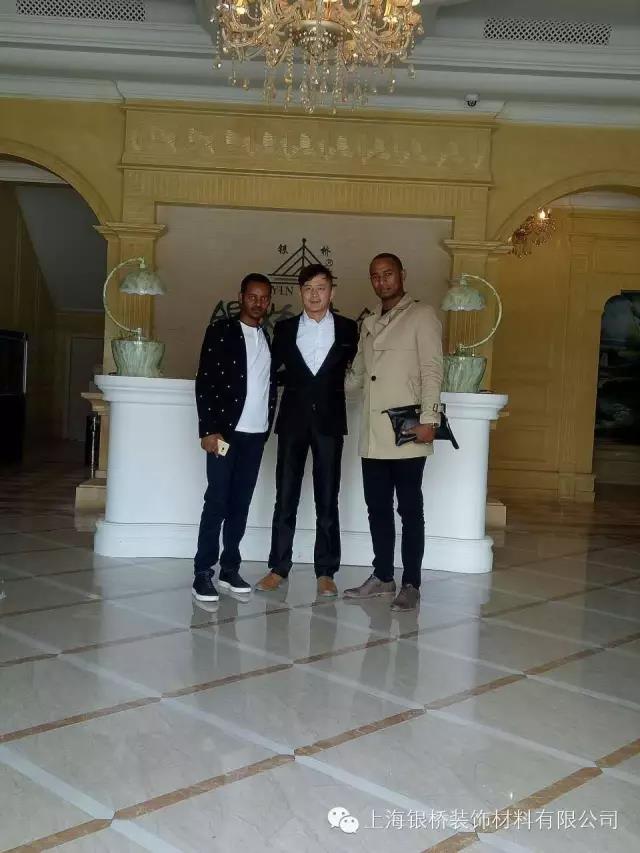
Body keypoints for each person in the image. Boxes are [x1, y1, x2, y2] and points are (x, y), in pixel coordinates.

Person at [344, 253, 443, 611]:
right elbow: (358, 374)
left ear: (402, 275)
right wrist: (321, 385)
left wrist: (430, 419)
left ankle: (411, 583)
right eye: (375, 276)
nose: (382, 281)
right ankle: (383, 576)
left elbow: (432, 369)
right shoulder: (369, 321)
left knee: (410, 509)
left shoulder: (422, 315)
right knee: (377, 508)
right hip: (373, 433)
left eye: (388, 274)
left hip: (407, 430)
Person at [256, 263, 358, 597]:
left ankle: (326, 572)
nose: (315, 295)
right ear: (300, 292)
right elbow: (270, 371)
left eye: (321, 288)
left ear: (332, 292)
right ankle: (278, 567)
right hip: (292, 421)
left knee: (328, 497)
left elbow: (359, 370)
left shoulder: (348, 329)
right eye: (308, 289)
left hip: (330, 422)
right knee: (285, 496)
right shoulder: (284, 329)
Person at [192, 273, 277, 602]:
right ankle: (203, 572)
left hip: (255, 436)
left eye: (264, 298)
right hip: (225, 434)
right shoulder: (221, 331)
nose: (258, 303)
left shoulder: (267, 337)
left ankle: (229, 568)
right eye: (253, 296)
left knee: (240, 503)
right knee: (217, 501)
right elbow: (205, 382)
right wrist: (208, 429)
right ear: (241, 297)